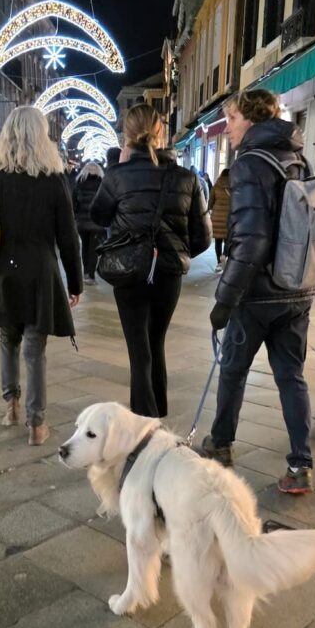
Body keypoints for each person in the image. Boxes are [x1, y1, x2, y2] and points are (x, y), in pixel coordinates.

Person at [202, 89, 315, 494]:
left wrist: (225, 299)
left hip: (257, 294)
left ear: (250, 119)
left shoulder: (250, 164)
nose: (227, 128)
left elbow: (250, 241)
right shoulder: (298, 159)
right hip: (297, 288)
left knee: (233, 370)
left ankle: (220, 444)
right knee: (291, 376)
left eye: (232, 119)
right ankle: (301, 464)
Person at [0, 106, 82, 446]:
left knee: (7, 340)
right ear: (41, 136)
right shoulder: (54, 178)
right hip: (41, 272)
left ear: (7, 135)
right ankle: (36, 425)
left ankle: (11, 406)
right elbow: (68, 237)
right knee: (34, 348)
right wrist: (75, 282)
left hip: (3, 271)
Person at [90, 102, 210, 418]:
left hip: (129, 269)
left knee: (138, 348)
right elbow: (203, 239)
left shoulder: (117, 176)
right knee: (156, 341)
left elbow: (98, 215)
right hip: (168, 274)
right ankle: (157, 413)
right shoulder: (186, 177)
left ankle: (144, 420)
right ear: (160, 133)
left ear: (127, 135)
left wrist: (119, 169)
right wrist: (175, 251)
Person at [73, 162, 106, 285]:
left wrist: (76, 215)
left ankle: (86, 272)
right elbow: (105, 202)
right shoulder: (102, 183)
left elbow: (73, 202)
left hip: (82, 222)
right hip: (97, 222)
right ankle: (90, 275)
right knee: (93, 249)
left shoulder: (79, 183)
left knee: (85, 247)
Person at [208, 167, 231, 270]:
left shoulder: (216, 185)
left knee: (218, 241)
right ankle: (225, 256)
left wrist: (212, 208)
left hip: (217, 216)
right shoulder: (233, 186)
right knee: (228, 239)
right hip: (229, 217)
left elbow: (210, 202)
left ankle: (219, 264)